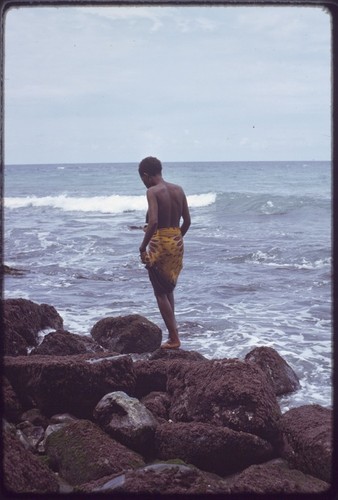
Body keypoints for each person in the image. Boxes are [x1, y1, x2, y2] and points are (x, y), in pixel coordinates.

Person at [138, 156, 191, 349]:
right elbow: (187, 221)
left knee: (160, 293)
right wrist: (176, 240)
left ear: (146, 175)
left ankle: (175, 338)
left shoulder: (153, 192)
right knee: (168, 288)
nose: (144, 184)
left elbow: (153, 222)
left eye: (142, 180)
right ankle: (173, 334)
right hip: (177, 242)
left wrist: (143, 246)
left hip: (159, 244)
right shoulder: (178, 189)